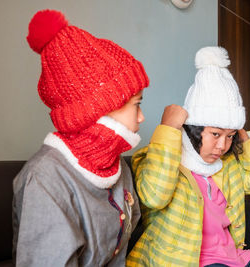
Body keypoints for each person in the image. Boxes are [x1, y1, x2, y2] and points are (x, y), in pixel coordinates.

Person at [126, 47, 250, 267]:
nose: (222, 145)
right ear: (194, 129)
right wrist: (168, 128)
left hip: (234, 258)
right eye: (215, 134)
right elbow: (154, 197)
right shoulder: (155, 158)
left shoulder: (226, 166)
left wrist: (244, 138)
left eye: (229, 136)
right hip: (188, 262)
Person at [12, 9, 149, 266]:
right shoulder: (44, 178)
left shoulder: (119, 168)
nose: (141, 118)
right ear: (98, 111)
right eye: (136, 105)